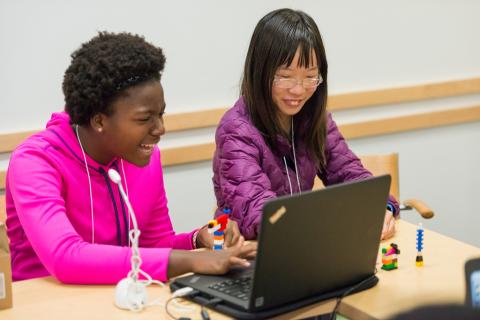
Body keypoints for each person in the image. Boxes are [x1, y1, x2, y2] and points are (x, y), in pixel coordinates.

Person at [6, 32, 255, 284]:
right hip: (44, 304)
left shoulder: (144, 157)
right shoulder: (35, 161)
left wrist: (197, 239)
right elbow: (65, 257)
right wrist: (193, 261)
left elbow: (155, 245)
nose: (160, 129)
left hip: (118, 298)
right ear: (99, 120)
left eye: (161, 114)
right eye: (145, 118)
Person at [213, 8, 399, 240]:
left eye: (310, 76)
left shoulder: (313, 119)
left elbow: (351, 174)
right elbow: (260, 214)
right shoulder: (236, 130)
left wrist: (380, 208)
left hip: (301, 248)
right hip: (250, 256)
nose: (298, 90)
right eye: (285, 76)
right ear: (259, 72)